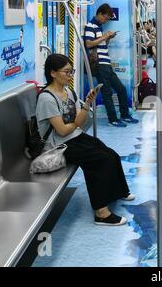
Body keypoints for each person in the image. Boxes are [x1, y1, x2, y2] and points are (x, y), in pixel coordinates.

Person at [36, 54, 136, 226]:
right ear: (53, 73)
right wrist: (75, 122)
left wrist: (87, 103)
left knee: (110, 154)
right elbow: (61, 129)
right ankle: (101, 213)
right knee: (98, 161)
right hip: (57, 145)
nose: (70, 75)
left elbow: (77, 122)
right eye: (66, 72)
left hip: (72, 136)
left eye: (71, 71)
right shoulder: (47, 98)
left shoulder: (68, 91)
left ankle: (119, 191)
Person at [84, 3, 138, 127]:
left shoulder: (99, 27)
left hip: (106, 63)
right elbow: (88, 44)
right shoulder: (90, 26)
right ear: (99, 14)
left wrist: (108, 38)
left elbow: (102, 46)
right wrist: (104, 37)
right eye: (106, 17)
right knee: (107, 92)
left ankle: (125, 115)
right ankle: (112, 119)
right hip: (99, 65)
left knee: (121, 89)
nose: (106, 20)